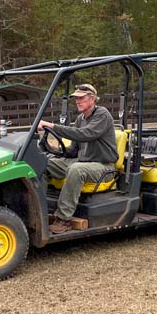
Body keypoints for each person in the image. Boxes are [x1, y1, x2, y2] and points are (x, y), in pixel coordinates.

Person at [37, 83, 118, 234]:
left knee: (76, 169)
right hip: (83, 161)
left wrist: (53, 126)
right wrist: (53, 150)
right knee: (44, 163)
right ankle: (40, 210)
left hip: (103, 166)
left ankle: (63, 218)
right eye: (76, 98)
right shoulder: (81, 119)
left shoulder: (102, 114)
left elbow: (85, 134)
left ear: (92, 99)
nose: (77, 101)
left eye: (81, 98)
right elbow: (73, 150)